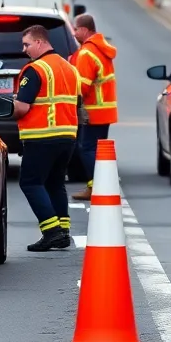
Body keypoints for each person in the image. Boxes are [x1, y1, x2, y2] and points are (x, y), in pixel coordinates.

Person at [13, 24, 80, 252]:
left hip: (41, 136)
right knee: (55, 182)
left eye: (27, 44)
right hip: (67, 136)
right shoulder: (70, 68)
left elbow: (22, 108)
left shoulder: (35, 69)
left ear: (40, 42)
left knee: (30, 182)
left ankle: (51, 231)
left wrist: (5, 109)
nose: (25, 50)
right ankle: (63, 231)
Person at [69, 14, 117, 201]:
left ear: (84, 29)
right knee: (96, 149)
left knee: (86, 148)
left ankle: (95, 185)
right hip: (104, 110)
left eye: (75, 29)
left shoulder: (87, 52)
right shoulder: (101, 48)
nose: (74, 33)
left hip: (92, 111)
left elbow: (82, 86)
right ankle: (100, 184)